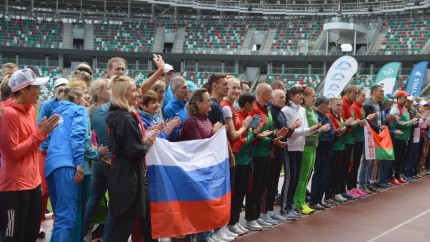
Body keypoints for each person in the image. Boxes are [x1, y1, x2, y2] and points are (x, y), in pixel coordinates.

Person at [0, 69, 59, 241]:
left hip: (33, 182)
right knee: (12, 236)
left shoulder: (31, 110)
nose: (40, 91)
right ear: (24, 90)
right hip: (14, 187)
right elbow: (13, 153)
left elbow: (31, 146)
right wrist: (40, 134)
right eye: (36, 87)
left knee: (31, 233)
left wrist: (41, 133)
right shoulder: (8, 114)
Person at [105, 75, 159, 241]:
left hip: (124, 171)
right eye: (133, 90)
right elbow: (134, 151)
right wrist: (147, 142)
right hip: (127, 174)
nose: (138, 93)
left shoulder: (121, 116)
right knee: (124, 223)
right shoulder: (126, 119)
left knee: (123, 223)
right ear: (123, 94)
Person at [44, 84, 90, 241]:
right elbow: (77, 135)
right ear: (76, 99)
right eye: (84, 97)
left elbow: (46, 139)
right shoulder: (79, 110)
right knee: (66, 217)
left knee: (59, 215)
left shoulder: (56, 111)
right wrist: (79, 163)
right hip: (67, 164)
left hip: (51, 164)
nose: (86, 100)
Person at [180, 88, 223, 242]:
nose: (210, 102)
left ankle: (206, 235)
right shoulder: (191, 122)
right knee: (196, 211)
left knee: (205, 209)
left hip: (208, 171)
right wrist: (215, 133)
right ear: (198, 103)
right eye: (207, 100)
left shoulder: (206, 119)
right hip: (196, 174)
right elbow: (198, 149)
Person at [227, 93, 266, 233]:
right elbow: (239, 141)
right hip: (239, 160)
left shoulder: (247, 116)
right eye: (253, 104)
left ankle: (235, 221)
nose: (255, 107)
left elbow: (248, 137)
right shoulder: (238, 117)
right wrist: (254, 134)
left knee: (242, 192)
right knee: (237, 193)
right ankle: (231, 222)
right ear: (248, 104)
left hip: (247, 159)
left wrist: (257, 134)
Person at [37, 77, 69, 237]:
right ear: (55, 89)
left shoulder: (71, 105)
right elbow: (40, 126)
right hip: (47, 152)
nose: (62, 89)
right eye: (60, 87)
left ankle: (58, 221)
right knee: (44, 189)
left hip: (64, 153)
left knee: (60, 189)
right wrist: (46, 146)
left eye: (65, 86)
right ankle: (40, 222)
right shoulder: (48, 105)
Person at [294, 86, 328, 215]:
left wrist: (319, 129)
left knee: (307, 175)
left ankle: (302, 201)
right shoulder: (304, 111)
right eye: (312, 96)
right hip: (306, 145)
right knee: (303, 176)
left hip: (314, 145)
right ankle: (299, 203)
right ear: (305, 98)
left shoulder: (310, 110)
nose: (315, 98)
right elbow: (307, 130)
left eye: (315, 96)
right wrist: (320, 129)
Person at [268, 89, 299, 221]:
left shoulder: (281, 112)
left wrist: (291, 128)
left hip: (282, 150)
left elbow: (285, 133)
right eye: (280, 97)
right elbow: (273, 132)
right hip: (272, 152)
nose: (283, 99)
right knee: (269, 183)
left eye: (284, 97)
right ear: (272, 99)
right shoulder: (271, 112)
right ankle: (271, 212)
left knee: (274, 182)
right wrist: (289, 129)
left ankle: (272, 212)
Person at [309, 95, 335, 210]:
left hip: (328, 149)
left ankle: (319, 198)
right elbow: (319, 134)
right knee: (319, 174)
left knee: (325, 175)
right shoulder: (317, 117)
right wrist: (327, 134)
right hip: (321, 149)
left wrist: (332, 134)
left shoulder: (326, 117)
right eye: (327, 104)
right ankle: (314, 200)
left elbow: (331, 132)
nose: (329, 106)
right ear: (321, 105)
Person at [389, 91, 418, 184]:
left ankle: (397, 175)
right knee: (396, 158)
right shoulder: (395, 109)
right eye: (405, 98)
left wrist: (411, 122)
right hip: (397, 137)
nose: (406, 100)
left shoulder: (404, 108)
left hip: (404, 137)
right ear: (399, 98)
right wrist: (411, 122)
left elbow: (406, 121)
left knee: (401, 158)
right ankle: (392, 177)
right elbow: (397, 123)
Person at [351, 89, 374, 196]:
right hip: (355, 139)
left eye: (365, 96)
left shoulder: (360, 107)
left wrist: (366, 120)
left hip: (361, 138)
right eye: (362, 95)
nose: (364, 98)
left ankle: (354, 187)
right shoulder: (354, 107)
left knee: (356, 164)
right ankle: (351, 187)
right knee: (353, 164)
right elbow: (354, 123)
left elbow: (362, 121)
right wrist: (364, 120)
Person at [326, 98, 349, 205]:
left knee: (337, 171)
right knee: (331, 171)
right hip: (334, 147)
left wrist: (344, 127)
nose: (340, 107)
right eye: (337, 105)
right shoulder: (329, 116)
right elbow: (335, 132)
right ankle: (329, 195)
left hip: (340, 146)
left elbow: (341, 130)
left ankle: (335, 192)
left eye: (340, 105)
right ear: (330, 106)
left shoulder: (339, 116)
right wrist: (343, 128)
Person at [339, 84, 359, 201]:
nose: (356, 95)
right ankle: (340, 190)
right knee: (342, 167)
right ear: (347, 93)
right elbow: (343, 124)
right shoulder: (344, 104)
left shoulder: (350, 105)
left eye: (357, 93)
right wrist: (350, 125)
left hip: (349, 139)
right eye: (354, 93)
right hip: (344, 141)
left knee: (347, 166)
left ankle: (343, 189)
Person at [163, 76, 189, 140]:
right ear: (175, 90)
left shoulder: (187, 104)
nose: (187, 90)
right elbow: (173, 135)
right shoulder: (169, 109)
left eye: (187, 87)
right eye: (184, 88)